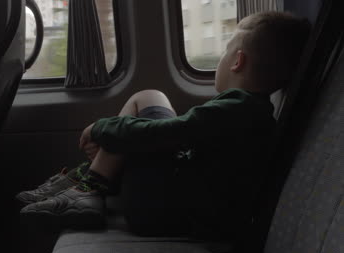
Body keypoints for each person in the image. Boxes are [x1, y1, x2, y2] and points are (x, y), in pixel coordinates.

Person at [16, 11, 311, 239]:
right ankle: (87, 183)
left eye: (224, 52)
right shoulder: (248, 112)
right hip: (176, 204)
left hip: (159, 209)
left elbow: (169, 134)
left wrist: (102, 128)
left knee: (144, 112)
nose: (220, 59)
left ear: (237, 62)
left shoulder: (239, 109)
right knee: (149, 99)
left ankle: (88, 187)